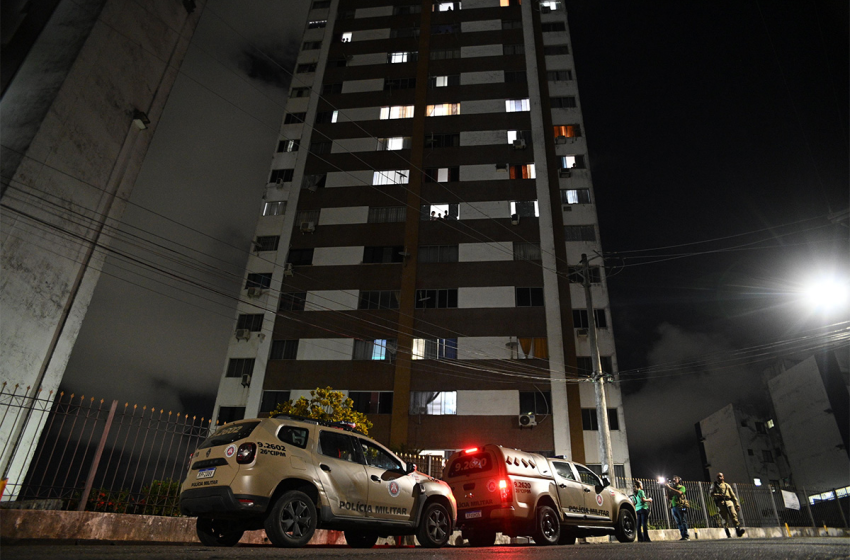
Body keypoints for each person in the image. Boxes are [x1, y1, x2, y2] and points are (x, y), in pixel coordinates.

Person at [710, 472, 745, 537]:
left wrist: (737, 504)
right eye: (718, 477)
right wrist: (718, 495)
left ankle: (738, 531)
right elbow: (711, 494)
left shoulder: (727, 485)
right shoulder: (714, 485)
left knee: (734, 516)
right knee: (724, 518)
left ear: (723, 477)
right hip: (721, 503)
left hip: (729, 501)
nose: (720, 478)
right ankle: (727, 533)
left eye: (721, 476)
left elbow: (733, 495)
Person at [665, 476, 689, 540]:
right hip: (673, 506)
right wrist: (667, 489)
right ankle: (683, 535)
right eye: (673, 479)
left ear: (679, 480)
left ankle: (686, 535)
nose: (674, 480)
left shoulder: (682, 487)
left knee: (683, 520)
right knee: (678, 522)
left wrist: (669, 487)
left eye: (675, 479)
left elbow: (679, 493)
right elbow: (668, 498)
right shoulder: (672, 488)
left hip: (680, 505)